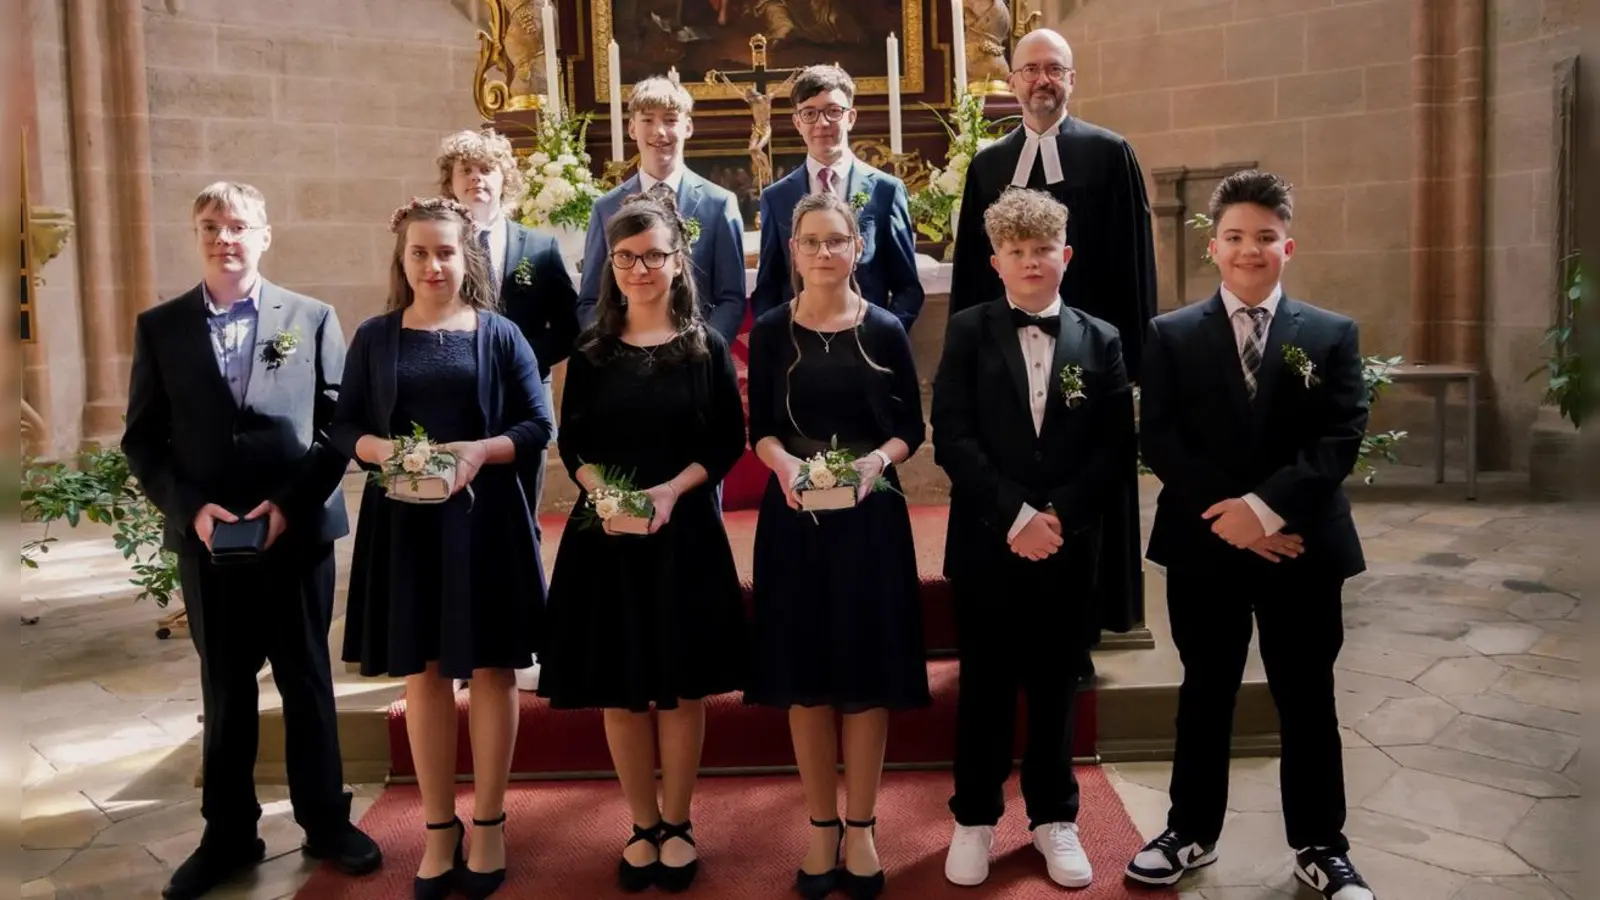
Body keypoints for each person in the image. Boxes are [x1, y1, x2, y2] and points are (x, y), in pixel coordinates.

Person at [122, 182, 382, 899]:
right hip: (209, 542)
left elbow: (339, 427)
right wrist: (192, 511)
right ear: (196, 234)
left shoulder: (312, 316)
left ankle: (327, 821)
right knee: (226, 687)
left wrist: (288, 507)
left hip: (295, 535)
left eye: (238, 226)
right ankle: (228, 834)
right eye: (210, 225)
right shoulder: (161, 327)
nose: (224, 238)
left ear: (265, 235)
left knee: (306, 679)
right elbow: (142, 441)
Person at [1129, 171, 1375, 900]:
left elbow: (1340, 437)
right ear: (1214, 247)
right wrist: (1234, 519)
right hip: (1206, 544)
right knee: (1205, 689)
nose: (1249, 249)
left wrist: (1265, 513)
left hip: (1302, 546)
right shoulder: (1170, 335)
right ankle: (1190, 833)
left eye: (1265, 237)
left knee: (1307, 695)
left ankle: (1321, 845)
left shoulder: (1331, 335)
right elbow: (1161, 439)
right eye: (1235, 236)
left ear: (1287, 246)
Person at [330, 197, 553, 900]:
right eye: (421, 252)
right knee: (423, 674)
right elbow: (344, 428)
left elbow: (535, 424)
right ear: (402, 259)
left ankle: (487, 820)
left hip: (484, 526)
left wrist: (476, 452)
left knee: (489, 670)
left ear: (468, 258)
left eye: (447, 252)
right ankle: (436, 826)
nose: (434, 264)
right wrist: (383, 451)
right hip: (406, 528)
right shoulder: (375, 337)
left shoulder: (501, 335)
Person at [536, 192, 748, 894]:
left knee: (682, 689)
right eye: (627, 257)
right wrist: (602, 490)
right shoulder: (592, 350)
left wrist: (668, 492)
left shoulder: (704, 347)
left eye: (654, 255)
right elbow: (576, 440)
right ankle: (642, 823)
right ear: (611, 265)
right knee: (622, 691)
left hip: (682, 531)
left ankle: (680, 822)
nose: (640, 268)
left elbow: (724, 441)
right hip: (609, 539)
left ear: (677, 260)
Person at [931, 188, 1133, 890]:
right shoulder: (967, 332)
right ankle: (975, 818)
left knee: (1056, 685)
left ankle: (1054, 817)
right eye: (1016, 252)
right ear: (995, 262)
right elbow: (951, 434)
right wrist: (1016, 515)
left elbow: (1113, 449)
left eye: (1042, 250)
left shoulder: (1101, 339)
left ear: (1065, 255)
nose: (1031, 262)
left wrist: (1059, 519)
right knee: (985, 686)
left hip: (1070, 546)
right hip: (990, 540)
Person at [946, 27, 1153, 666]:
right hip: (1005, 361)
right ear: (1012, 82)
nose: (1042, 81)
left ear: (1072, 79)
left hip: (1092, 358)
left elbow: (1134, 264)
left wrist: (1136, 364)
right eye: (1031, 69)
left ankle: (1085, 629)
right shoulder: (987, 164)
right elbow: (971, 278)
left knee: (1086, 477)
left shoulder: (1110, 153)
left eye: (1055, 70)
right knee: (1007, 472)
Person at [745, 191, 931, 900]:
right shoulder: (769, 332)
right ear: (792, 253)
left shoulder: (884, 327)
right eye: (811, 242)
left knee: (864, 676)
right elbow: (760, 424)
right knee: (807, 677)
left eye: (836, 241)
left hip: (869, 520)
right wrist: (785, 465)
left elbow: (910, 428)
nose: (824, 253)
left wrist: (873, 465)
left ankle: (862, 826)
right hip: (793, 516)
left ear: (860, 249)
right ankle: (820, 823)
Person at [439, 127, 577, 691]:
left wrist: (517, 363)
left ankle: (521, 642)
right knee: (455, 524)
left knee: (520, 523)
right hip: (452, 408)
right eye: (466, 170)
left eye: (487, 170)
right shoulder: (435, 246)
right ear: (449, 182)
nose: (477, 179)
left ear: (504, 180)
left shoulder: (537, 249)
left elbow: (566, 327)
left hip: (520, 408)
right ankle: (457, 647)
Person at [749, 64, 924, 331]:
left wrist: (881, 336)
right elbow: (768, 288)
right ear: (797, 122)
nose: (821, 123)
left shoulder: (886, 191)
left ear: (851, 117)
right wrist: (783, 341)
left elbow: (908, 288)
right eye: (809, 113)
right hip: (798, 346)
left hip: (867, 346)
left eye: (833, 111)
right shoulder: (777, 197)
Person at [580, 76, 748, 343]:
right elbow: (591, 299)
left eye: (670, 120)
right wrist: (614, 349)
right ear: (632, 128)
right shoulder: (606, 207)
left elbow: (731, 297)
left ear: (688, 127)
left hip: (696, 356)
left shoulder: (719, 204)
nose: (659, 131)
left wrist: (705, 349)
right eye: (647, 120)